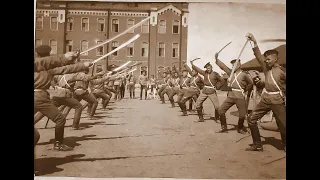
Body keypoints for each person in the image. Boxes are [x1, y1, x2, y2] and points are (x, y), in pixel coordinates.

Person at [34, 45, 92, 151]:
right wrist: (81, 64)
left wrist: (83, 65)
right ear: (48, 55)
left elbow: (66, 68)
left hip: (41, 97)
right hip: (39, 97)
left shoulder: (44, 66)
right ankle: (58, 144)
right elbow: (65, 68)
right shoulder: (44, 66)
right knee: (60, 119)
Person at [245, 33, 286, 152]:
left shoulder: (282, 71)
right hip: (265, 99)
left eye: (268, 59)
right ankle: (258, 144)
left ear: (275, 59)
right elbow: (258, 56)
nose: (266, 61)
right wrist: (255, 42)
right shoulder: (265, 67)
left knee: (283, 124)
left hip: (278, 100)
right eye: (266, 59)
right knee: (251, 119)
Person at [215, 55, 254, 133]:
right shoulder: (231, 73)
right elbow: (223, 67)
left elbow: (250, 83)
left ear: (239, 65)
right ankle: (223, 127)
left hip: (240, 96)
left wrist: (245, 90)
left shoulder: (244, 74)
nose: (233, 66)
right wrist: (217, 59)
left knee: (242, 115)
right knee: (221, 110)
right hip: (231, 96)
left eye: (234, 65)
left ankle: (239, 128)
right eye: (232, 65)